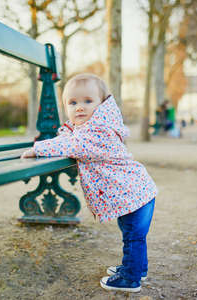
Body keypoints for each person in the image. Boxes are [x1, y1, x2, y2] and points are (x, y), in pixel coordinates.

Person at [21, 73, 157, 293]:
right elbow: (69, 139)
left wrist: (38, 149)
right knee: (132, 235)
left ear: (102, 105)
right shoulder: (86, 130)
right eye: (72, 103)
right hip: (133, 194)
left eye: (87, 101)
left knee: (133, 236)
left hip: (134, 195)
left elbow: (72, 146)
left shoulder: (99, 132)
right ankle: (136, 268)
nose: (80, 108)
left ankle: (131, 278)